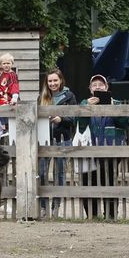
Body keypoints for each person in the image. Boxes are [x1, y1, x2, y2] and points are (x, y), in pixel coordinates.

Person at [77, 74, 129, 220]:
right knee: (89, 182)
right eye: (94, 85)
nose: (98, 87)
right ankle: (92, 216)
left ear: (107, 87)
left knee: (110, 183)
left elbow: (126, 122)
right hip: (89, 150)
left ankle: (111, 216)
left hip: (112, 150)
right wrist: (87, 107)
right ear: (90, 89)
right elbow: (79, 125)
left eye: (101, 84)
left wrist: (112, 108)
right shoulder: (84, 103)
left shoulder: (117, 103)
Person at [38, 67, 76, 218]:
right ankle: (43, 206)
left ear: (61, 81)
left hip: (62, 138)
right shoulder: (42, 97)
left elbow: (74, 118)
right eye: (50, 81)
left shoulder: (69, 96)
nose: (53, 83)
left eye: (55, 80)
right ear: (46, 82)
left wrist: (61, 119)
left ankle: (56, 206)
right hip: (44, 140)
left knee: (59, 173)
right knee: (41, 173)